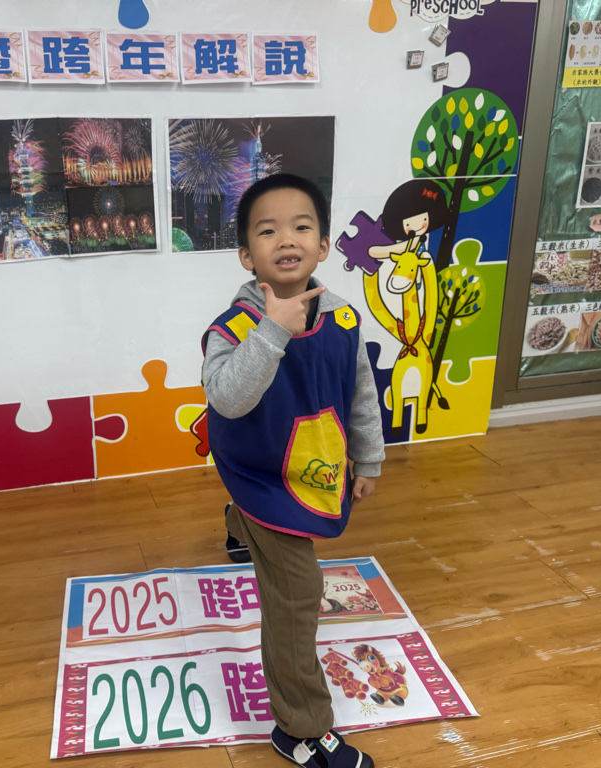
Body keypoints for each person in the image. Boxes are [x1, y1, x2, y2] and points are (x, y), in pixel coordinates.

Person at [202, 173, 384, 768]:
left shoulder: (344, 320)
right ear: (245, 255)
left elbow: (360, 394)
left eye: (301, 226)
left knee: (278, 540)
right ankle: (300, 727)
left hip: (311, 463)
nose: (286, 238)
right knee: (298, 593)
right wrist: (274, 327)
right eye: (267, 230)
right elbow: (227, 399)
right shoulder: (232, 327)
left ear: (323, 246)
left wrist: (368, 456)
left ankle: (237, 526)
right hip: (259, 474)